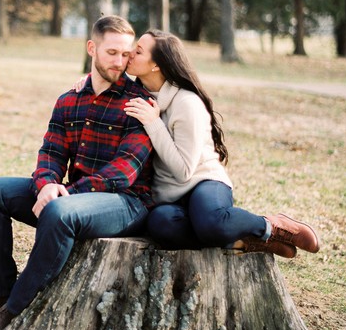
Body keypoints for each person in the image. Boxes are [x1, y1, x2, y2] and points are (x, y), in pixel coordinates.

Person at [0, 15, 154, 330]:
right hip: (73, 195)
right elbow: (51, 152)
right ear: (92, 48)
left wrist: (66, 193)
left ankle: (13, 311)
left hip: (127, 203)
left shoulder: (139, 103)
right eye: (111, 53)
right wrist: (47, 183)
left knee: (59, 213)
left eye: (125, 54)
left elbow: (123, 172)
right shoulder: (69, 99)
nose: (120, 62)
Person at [120, 30, 320, 257]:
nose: (129, 54)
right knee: (160, 226)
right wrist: (86, 83)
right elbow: (105, 84)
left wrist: (154, 123)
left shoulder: (186, 103)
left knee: (212, 224)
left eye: (138, 51)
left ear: (156, 65)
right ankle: (241, 239)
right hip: (168, 198)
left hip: (203, 182)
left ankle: (271, 226)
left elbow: (184, 171)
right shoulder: (136, 96)